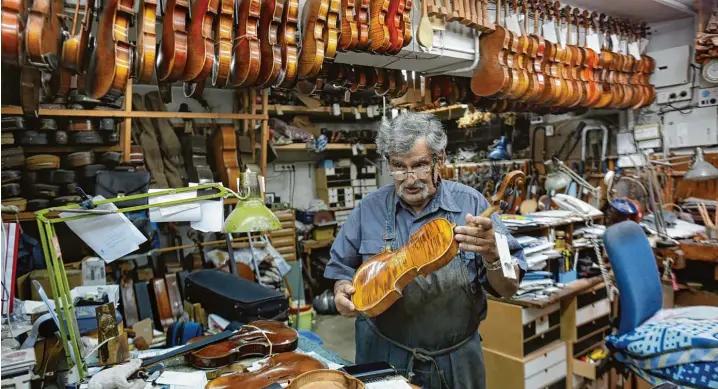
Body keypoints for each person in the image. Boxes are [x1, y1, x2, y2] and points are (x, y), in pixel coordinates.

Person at [324, 112, 527, 389]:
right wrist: (341, 292)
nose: (409, 179)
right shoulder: (367, 209)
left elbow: (508, 286)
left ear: (439, 159)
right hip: (385, 356)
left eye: (419, 166)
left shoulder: (474, 204)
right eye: (399, 167)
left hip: (456, 361)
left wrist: (492, 255)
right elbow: (341, 271)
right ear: (388, 164)